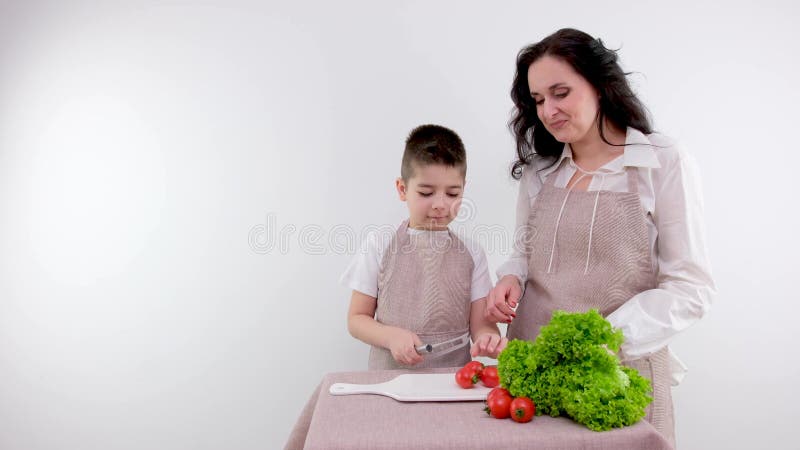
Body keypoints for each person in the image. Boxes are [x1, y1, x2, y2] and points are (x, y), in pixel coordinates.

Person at [485, 28, 715, 447]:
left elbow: (690, 288)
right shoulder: (541, 172)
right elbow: (524, 252)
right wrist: (510, 278)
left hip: (617, 375)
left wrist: (603, 341)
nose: (549, 110)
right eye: (538, 100)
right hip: (535, 374)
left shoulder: (661, 162)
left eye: (560, 92)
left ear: (600, 86)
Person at [342, 124, 507, 370]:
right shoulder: (381, 244)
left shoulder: (472, 254)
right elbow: (356, 320)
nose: (440, 204)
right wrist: (391, 337)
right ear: (402, 189)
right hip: (389, 383)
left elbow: (480, 326)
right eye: (426, 192)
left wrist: (489, 340)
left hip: (452, 383)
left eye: (452, 194)